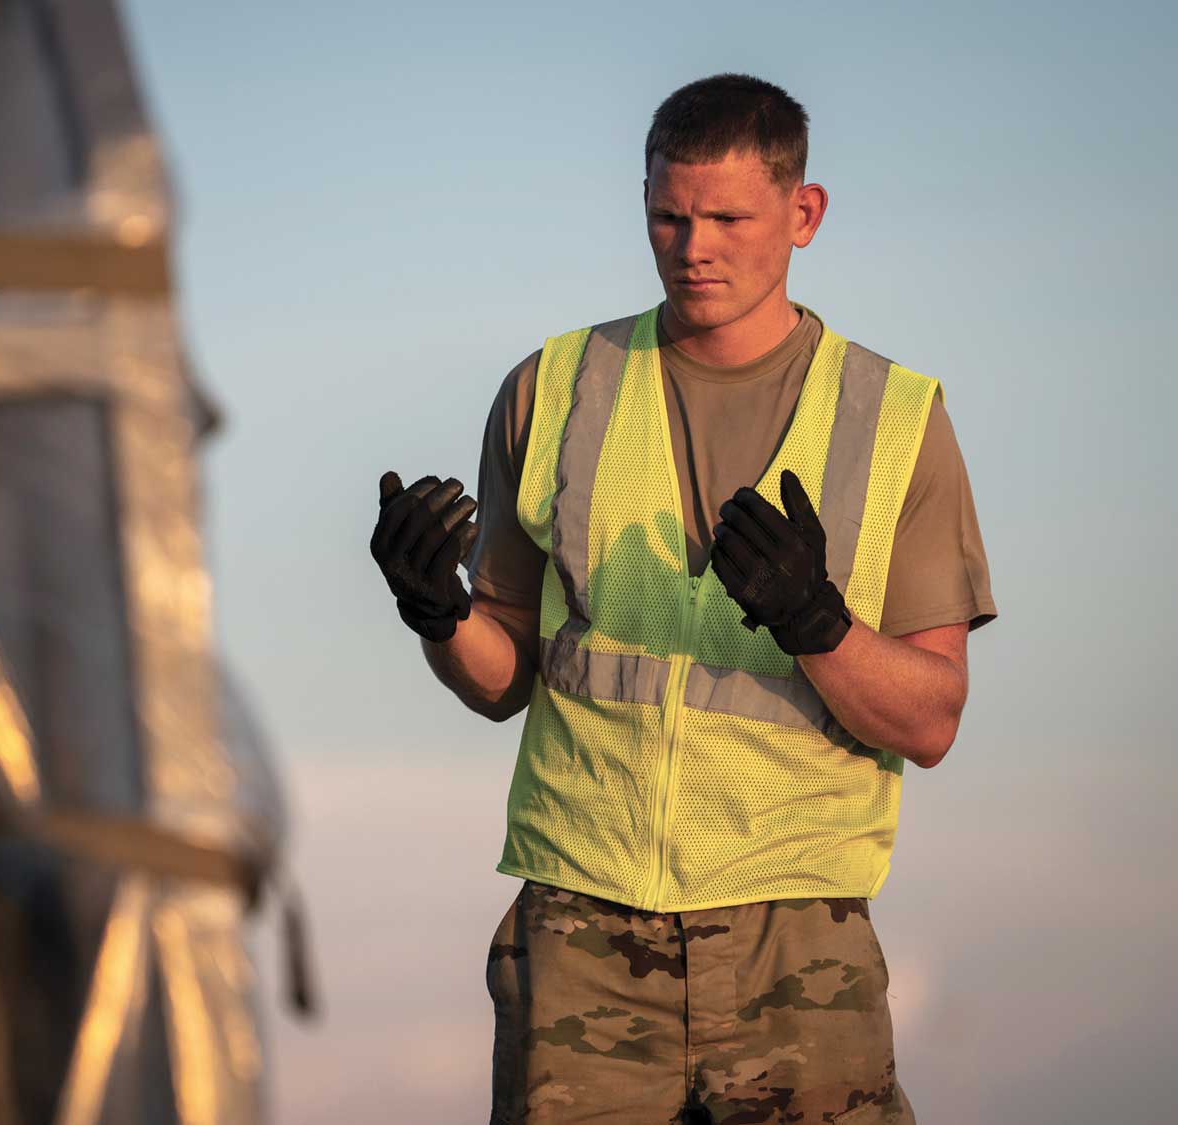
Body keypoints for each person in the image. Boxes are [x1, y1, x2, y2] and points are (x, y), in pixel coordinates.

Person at [369, 73, 998, 1124]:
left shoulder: (898, 418)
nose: (692, 244)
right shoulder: (550, 388)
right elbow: (504, 678)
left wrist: (820, 625)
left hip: (798, 930)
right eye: (669, 214)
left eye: (726, 218)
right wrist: (438, 616)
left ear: (804, 215)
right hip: (581, 926)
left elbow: (931, 720)